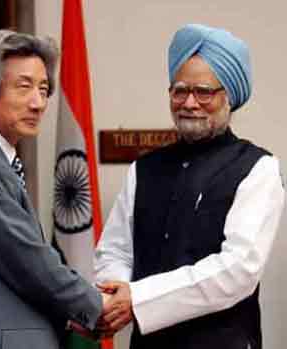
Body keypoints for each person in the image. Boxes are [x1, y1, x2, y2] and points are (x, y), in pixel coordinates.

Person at [95, 24, 285, 349]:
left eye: (204, 92)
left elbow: (237, 270)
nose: (190, 103)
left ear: (230, 97)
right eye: (179, 90)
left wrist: (138, 298)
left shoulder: (258, 168)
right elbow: (115, 249)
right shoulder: (144, 168)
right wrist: (114, 294)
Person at [0, 30, 108, 349]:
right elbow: (30, 262)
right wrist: (99, 308)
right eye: (24, 87)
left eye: (44, 90)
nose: (38, 103)